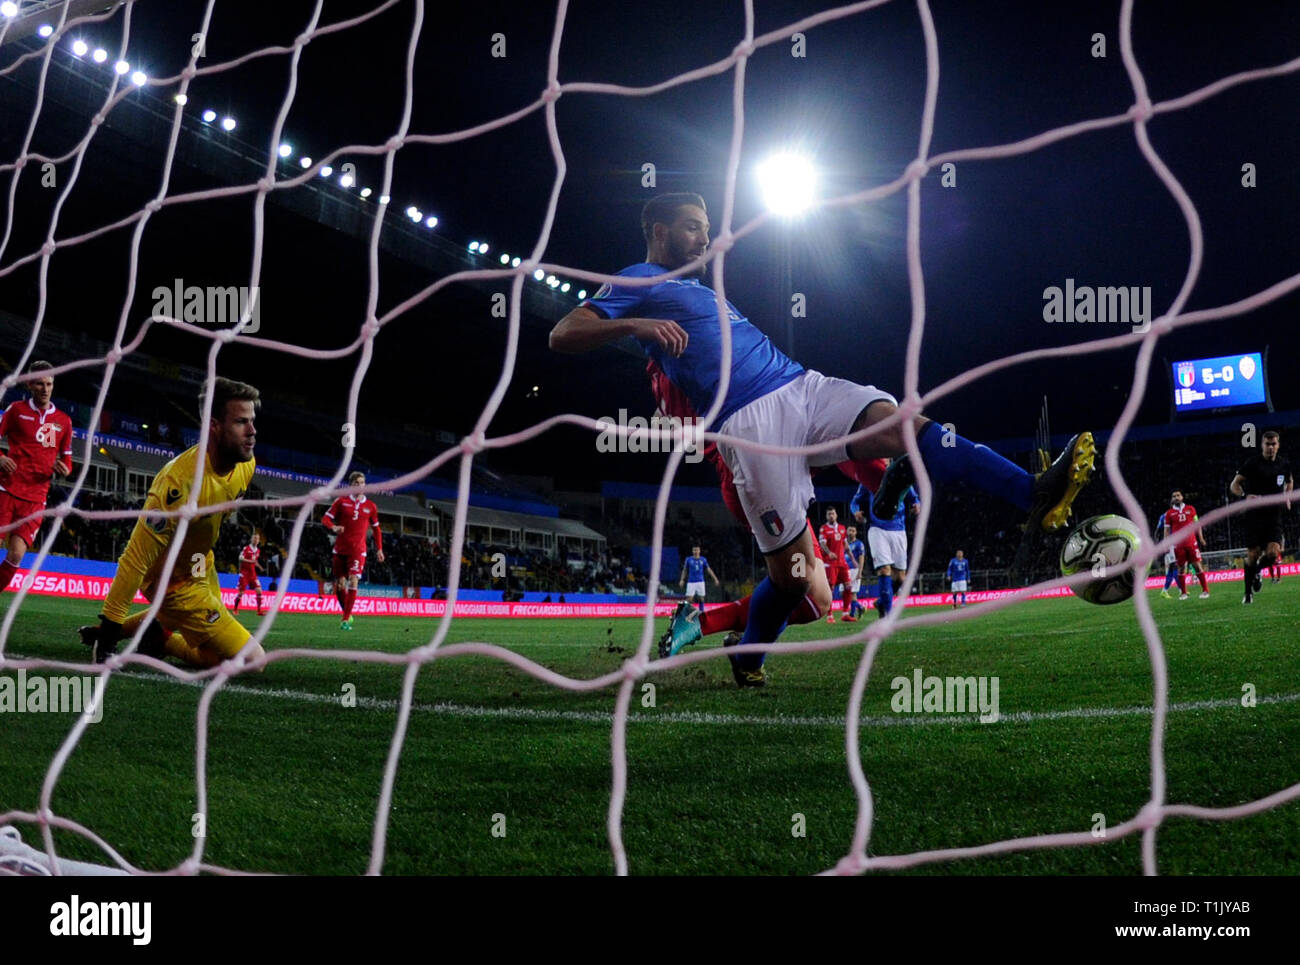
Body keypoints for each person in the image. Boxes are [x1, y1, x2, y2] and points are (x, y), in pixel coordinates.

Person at [551, 192, 1095, 687]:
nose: (706, 239)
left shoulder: (696, 288)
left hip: (801, 384)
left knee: (906, 423)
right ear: (659, 231)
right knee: (797, 585)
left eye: (708, 227)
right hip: (751, 426)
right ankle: (748, 655)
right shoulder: (637, 281)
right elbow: (564, 334)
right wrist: (635, 327)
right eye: (693, 228)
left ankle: (1032, 491)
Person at [78, 378, 264, 667]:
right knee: (253, 660)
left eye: (252, 421)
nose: (253, 432)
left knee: (214, 657)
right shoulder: (177, 486)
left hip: (202, 564)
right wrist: (110, 631)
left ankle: (154, 635)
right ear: (213, 426)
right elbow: (135, 560)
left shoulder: (246, 465)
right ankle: (160, 640)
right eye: (242, 422)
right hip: (173, 584)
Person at [0, 361, 73, 593]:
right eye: (40, 384)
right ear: (30, 384)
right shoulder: (16, 410)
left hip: (36, 498)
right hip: (7, 489)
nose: (45, 389)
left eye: (49, 384)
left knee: (17, 554)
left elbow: (68, 460)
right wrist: (0, 457)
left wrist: (65, 468)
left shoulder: (63, 421)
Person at [1229, 431, 1293, 605]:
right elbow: (1234, 485)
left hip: (1274, 515)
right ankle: (1248, 593)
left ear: (1278, 445)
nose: (1271, 447)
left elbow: (1289, 481)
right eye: (1267, 444)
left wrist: (1287, 496)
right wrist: (1244, 496)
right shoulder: (1252, 464)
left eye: (1274, 444)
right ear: (1262, 445)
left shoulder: (1284, 464)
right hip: (1254, 516)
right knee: (1253, 554)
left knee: (1273, 553)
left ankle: (1257, 571)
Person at [323, 470, 385, 629]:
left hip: (358, 550)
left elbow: (377, 529)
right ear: (350, 485)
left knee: (353, 580)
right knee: (340, 586)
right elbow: (326, 519)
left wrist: (379, 549)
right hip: (340, 549)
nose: (360, 486)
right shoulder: (341, 501)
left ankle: (345, 620)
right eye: (356, 483)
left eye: (362, 483)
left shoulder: (371, 506)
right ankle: (348, 613)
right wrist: (334, 527)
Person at [855, 483, 918, 617]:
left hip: (899, 530)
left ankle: (882, 602)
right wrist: (856, 511)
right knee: (884, 570)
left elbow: (914, 497)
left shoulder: (900, 475)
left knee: (901, 578)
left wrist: (916, 504)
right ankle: (888, 616)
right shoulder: (868, 477)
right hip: (877, 528)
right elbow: (855, 501)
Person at [1162, 490, 1209, 599]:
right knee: (1181, 568)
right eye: (1174, 496)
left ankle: (1205, 591)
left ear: (1182, 497)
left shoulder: (1191, 509)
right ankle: (1183, 593)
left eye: (1178, 495)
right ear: (1172, 499)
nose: (1176, 497)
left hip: (1191, 543)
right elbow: (1167, 531)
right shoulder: (1169, 513)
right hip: (1178, 545)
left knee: (1197, 566)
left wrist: (1201, 538)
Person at [819, 507, 853, 623]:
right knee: (830, 588)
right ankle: (829, 615)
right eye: (829, 514)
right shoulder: (824, 529)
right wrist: (829, 553)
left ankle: (845, 613)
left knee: (848, 586)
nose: (831, 516)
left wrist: (853, 560)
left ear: (836, 515)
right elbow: (822, 544)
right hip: (830, 563)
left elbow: (845, 545)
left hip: (842, 563)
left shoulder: (842, 529)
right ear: (826, 516)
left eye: (833, 513)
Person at [232, 531, 266, 615]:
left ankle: (259, 611)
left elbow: (254, 561)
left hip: (253, 574)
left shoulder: (258, 550)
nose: (256, 540)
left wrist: (259, 567)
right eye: (255, 538)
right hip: (245, 573)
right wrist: (250, 562)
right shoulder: (246, 548)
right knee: (241, 592)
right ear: (251, 539)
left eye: (258, 539)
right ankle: (235, 609)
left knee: (259, 591)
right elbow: (240, 558)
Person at [1154, 511, 1180, 599]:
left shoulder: (1164, 516)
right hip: (1170, 544)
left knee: (1172, 568)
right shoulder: (1170, 515)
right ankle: (1181, 589)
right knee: (1175, 566)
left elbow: (1157, 532)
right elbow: (1158, 532)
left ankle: (1165, 591)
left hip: (1174, 543)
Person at [845, 524, 866, 619]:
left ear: (856, 532)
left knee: (852, 592)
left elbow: (861, 558)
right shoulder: (844, 543)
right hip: (845, 570)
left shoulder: (859, 544)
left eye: (853, 531)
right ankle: (860, 607)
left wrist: (860, 572)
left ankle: (852, 614)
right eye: (849, 530)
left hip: (854, 570)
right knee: (844, 593)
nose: (851, 532)